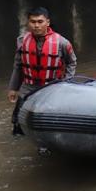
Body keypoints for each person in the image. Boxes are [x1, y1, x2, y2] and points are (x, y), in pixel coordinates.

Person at [7, 7, 76, 135]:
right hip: (28, 86)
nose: (36, 25)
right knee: (17, 122)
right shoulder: (21, 41)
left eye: (40, 21)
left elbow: (71, 62)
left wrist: (66, 84)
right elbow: (18, 66)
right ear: (28, 23)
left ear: (47, 22)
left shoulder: (62, 42)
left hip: (52, 87)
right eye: (33, 22)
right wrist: (13, 88)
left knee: (51, 122)